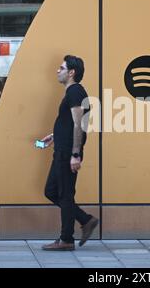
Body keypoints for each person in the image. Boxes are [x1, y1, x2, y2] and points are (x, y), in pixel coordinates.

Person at [38, 55, 98, 251]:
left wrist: (75, 154)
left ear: (71, 72)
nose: (57, 70)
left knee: (64, 195)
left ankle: (66, 239)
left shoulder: (75, 91)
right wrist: (55, 135)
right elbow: (69, 122)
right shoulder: (73, 92)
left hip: (67, 153)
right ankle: (85, 220)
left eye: (61, 68)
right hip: (62, 148)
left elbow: (79, 124)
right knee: (52, 191)